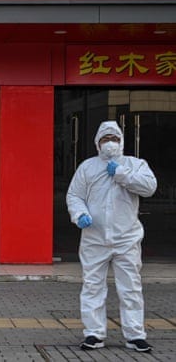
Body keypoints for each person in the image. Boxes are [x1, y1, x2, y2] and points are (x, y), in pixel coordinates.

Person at [66, 121, 157, 353]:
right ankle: (94, 333)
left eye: (114, 139)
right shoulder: (88, 167)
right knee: (92, 286)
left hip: (127, 238)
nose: (110, 143)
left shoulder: (135, 164)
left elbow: (149, 187)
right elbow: (74, 195)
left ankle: (135, 335)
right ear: (97, 143)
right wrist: (80, 214)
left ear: (122, 142)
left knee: (131, 288)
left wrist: (121, 173)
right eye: (105, 139)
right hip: (94, 238)